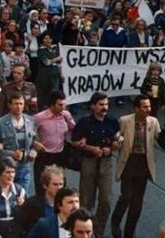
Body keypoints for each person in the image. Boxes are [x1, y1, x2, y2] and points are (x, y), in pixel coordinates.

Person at [110, 94, 160, 238]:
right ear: (136, 108)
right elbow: (119, 135)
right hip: (129, 161)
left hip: (144, 163)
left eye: (149, 106)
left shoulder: (153, 122)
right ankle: (115, 222)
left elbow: (159, 136)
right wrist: (117, 141)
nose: (148, 109)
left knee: (137, 201)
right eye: (145, 106)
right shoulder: (125, 121)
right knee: (126, 196)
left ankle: (129, 233)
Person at [71, 92, 119, 236]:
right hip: (89, 162)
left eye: (106, 104)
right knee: (86, 200)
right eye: (101, 105)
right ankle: (82, 232)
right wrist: (90, 148)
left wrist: (111, 147)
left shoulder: (112, 121)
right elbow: (74, 141)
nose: (104, 107)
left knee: (106, 200)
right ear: (93, 106)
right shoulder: (84, 122)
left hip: (106, 162)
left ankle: (98, 231)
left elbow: (118, 138)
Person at [0, 93, 38, 193]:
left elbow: (35, 142)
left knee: (23, 196)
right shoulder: (0, 123)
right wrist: (12, 154)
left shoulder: (31, 121)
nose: (19, 106)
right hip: (6, 167)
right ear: (10, 105)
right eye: (16, 104)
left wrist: (34, 152)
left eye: (21, 104)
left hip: (25, 167)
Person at [32, 90, 74, 189]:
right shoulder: (39, 118)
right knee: (43, 187)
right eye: (60, 105)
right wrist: (34, 143)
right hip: (44, 156)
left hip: (60, 155)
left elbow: (74, 129)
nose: (63, 107)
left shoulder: (66, 115)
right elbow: (29, 134)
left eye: (64, 104)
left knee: (60, 187)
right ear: (52, 105)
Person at [15, 165, 64, 236]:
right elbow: (19, 228)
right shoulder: (31, 205)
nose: (59, 188)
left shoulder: (67, 205)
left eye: (61, 184)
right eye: (55, 184)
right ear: (45, 185)